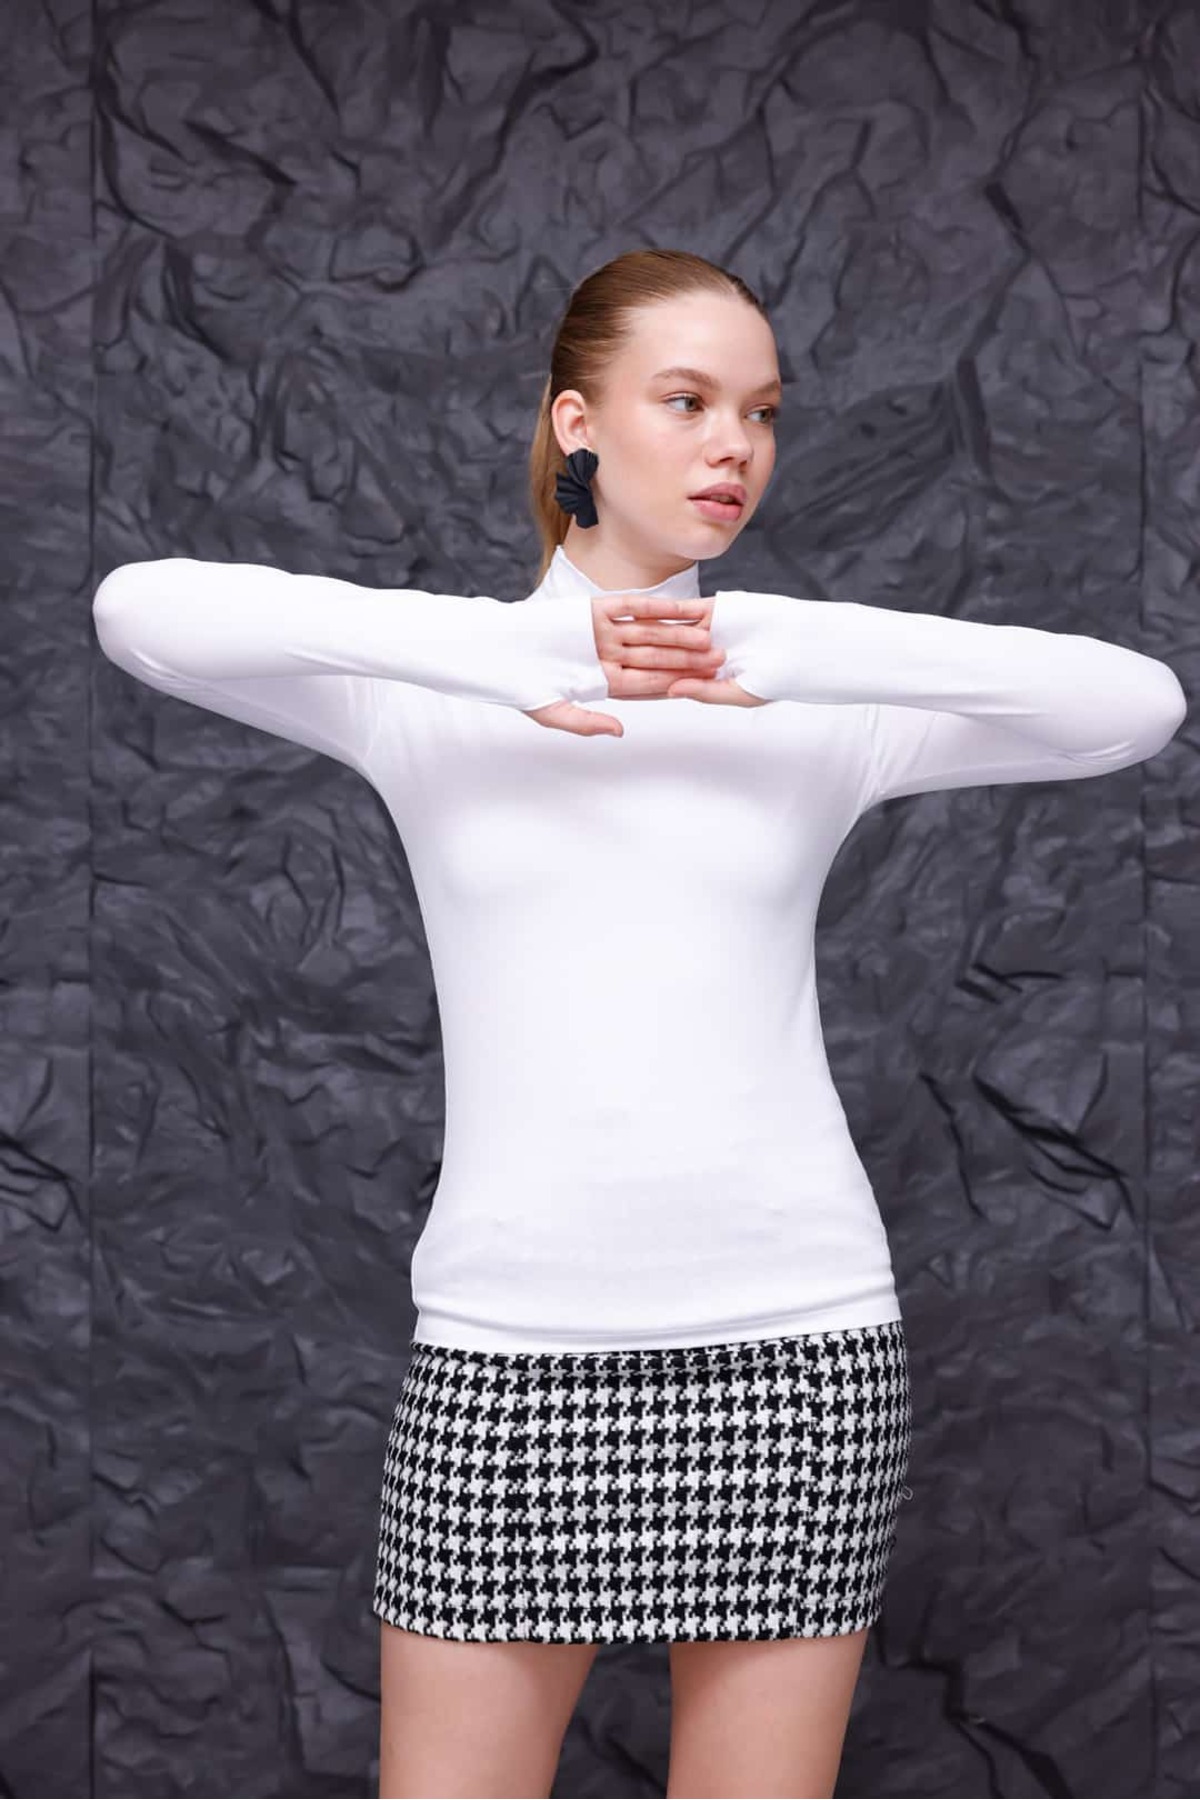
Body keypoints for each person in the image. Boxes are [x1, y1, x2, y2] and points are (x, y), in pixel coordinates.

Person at [92, 247, 1187, 1800]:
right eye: (687, 401)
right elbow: (140, 612)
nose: (734, 443)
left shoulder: (811, 704)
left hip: (793, 1353)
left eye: (761, 410)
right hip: (504, 1348)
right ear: (577, 424)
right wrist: (520, 652)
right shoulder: (428, 693)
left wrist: (788, 648)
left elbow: (1134, 706)